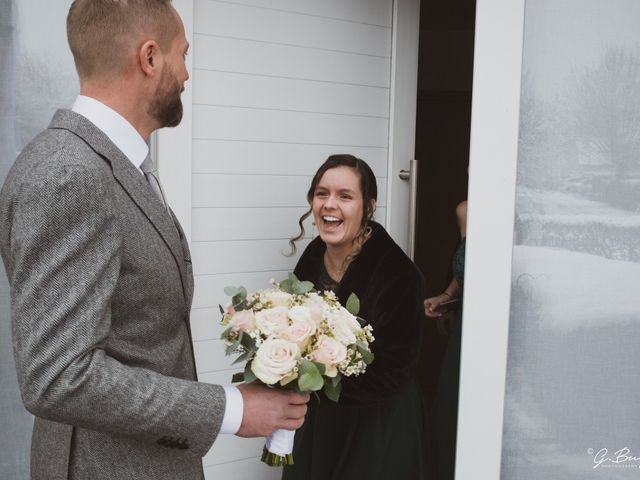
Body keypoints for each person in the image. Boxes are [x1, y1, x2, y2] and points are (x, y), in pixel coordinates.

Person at [0, 1, 308, 479]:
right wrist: (232, 409)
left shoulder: (115, 163)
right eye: (182, 54)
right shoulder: (70, 173)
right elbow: (59, 377)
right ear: (149, 58)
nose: (186, 73)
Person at [282, 154, 427, 479]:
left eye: (345, 196)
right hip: (323, 416)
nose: (329, 205)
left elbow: (393, 372)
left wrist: (318, 384)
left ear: (368, 206)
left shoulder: (400, 275)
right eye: (322, 194)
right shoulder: (312, 256)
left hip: (379, 421)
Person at [424, 200, 467, 480]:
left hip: (508, 322)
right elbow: (468, 261)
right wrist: (448, 295)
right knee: (453, 410)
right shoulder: (466, 210)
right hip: (467, 325)